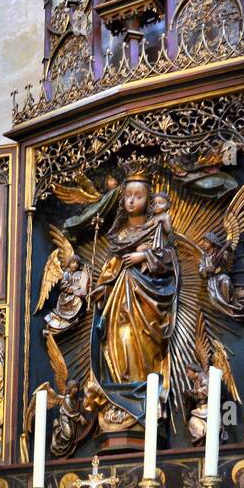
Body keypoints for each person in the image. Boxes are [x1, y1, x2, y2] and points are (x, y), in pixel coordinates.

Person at [90, 164, 179, 431]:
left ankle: (144, 394)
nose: (131, 200)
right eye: (127, 195)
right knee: (119, 339)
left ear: (148, 200)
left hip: (148, 301)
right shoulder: (117, 236)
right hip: (118, 303)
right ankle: (120, 398)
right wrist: (103, 285)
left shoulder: (156, 229)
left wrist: (143, 257)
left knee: (140, 341)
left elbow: (170, 260)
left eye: (138, 196)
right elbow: (110, 268)